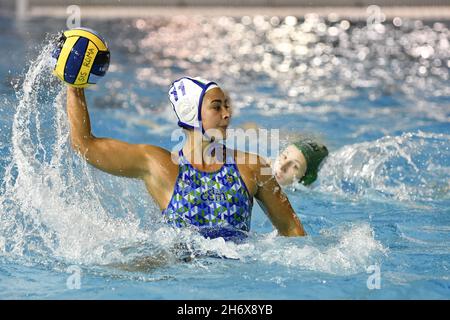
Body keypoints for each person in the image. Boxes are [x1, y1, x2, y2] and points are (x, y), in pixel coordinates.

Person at [66, 76, 306, 241]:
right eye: (217, 107)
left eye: (227, 106)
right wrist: (74, 86)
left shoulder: (253, 166)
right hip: (177, 274)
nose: (227, 114)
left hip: (236, 275)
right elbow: (84, 144)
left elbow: (292, 230)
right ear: (192, 112)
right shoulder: (159, 164)